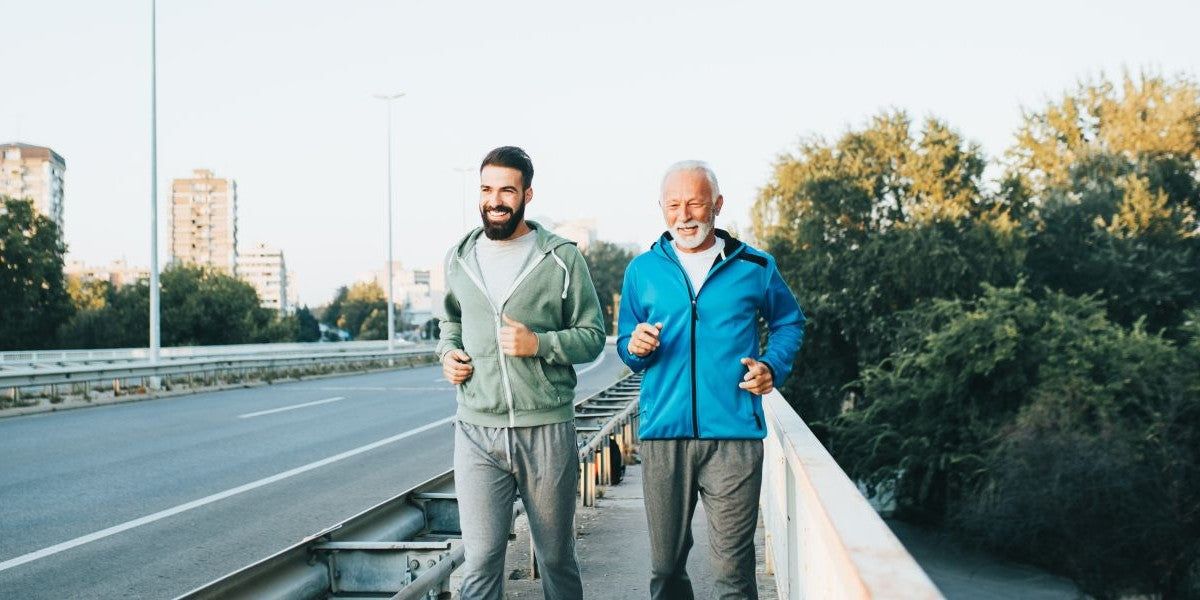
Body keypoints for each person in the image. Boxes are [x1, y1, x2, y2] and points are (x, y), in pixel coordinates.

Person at [617, 160, 806, 599]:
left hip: (734, 436)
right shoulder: (642, 270)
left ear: (717, 205)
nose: (684, 216)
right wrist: (635, 346)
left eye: (695, 204)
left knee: (733, 571)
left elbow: (789, 322)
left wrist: (772, 366)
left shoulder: (756, 265)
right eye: (673, 205)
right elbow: (627, 346)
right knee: (665, 568)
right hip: (664, 436)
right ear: (661, 208)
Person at [437, 145, 605, 600]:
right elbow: (450, 323)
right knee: (480, 561)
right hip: (476, 431)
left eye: (506, 191)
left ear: (527, 194)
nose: (495, 201)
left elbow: (592, 336)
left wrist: (540, 344)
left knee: (555, 558)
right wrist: (448, 352)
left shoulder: (561, 258)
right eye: (486, 190)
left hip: (545, 429)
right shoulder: (459, 257)